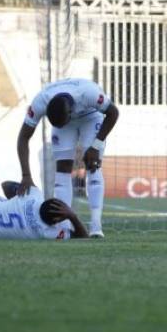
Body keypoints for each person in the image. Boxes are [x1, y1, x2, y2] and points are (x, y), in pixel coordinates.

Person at [16, 78, 119, 238]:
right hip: (66, 120)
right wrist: (26, 175)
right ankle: (63, 225)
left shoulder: (88, 93)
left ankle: (96, 226)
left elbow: (113, 113)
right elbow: (23, 137)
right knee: (62, 168)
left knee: (93, 164)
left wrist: (96, 145)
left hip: (91, 117)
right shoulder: (40, 101)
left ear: (71, 111)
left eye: (61, 123)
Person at [0, 181, 89, 240]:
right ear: (56, 220)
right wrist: (72, 216)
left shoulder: (34, 195)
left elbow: (5, 185)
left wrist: (16, 199)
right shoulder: (46, 233)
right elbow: (83, 236)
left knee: (3, 204)